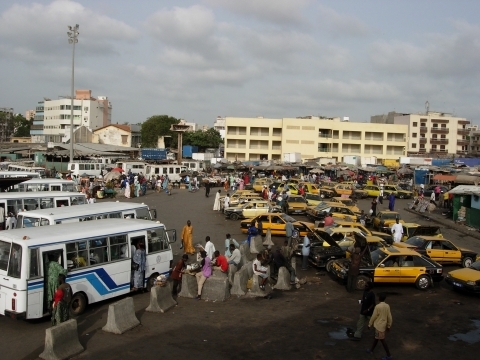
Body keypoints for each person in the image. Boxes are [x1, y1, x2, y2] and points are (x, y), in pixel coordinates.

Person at [367, 293, 393, 359]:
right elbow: (389, 316)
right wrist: (389, 325)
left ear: (379, 299)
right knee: (376, 338)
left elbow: (373, 316)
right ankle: (371, 350)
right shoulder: (387, 306)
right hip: (383, 325)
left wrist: (370, 324)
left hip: (378, 326)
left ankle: (389, 355)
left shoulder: (378, 306)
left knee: (382, 339)